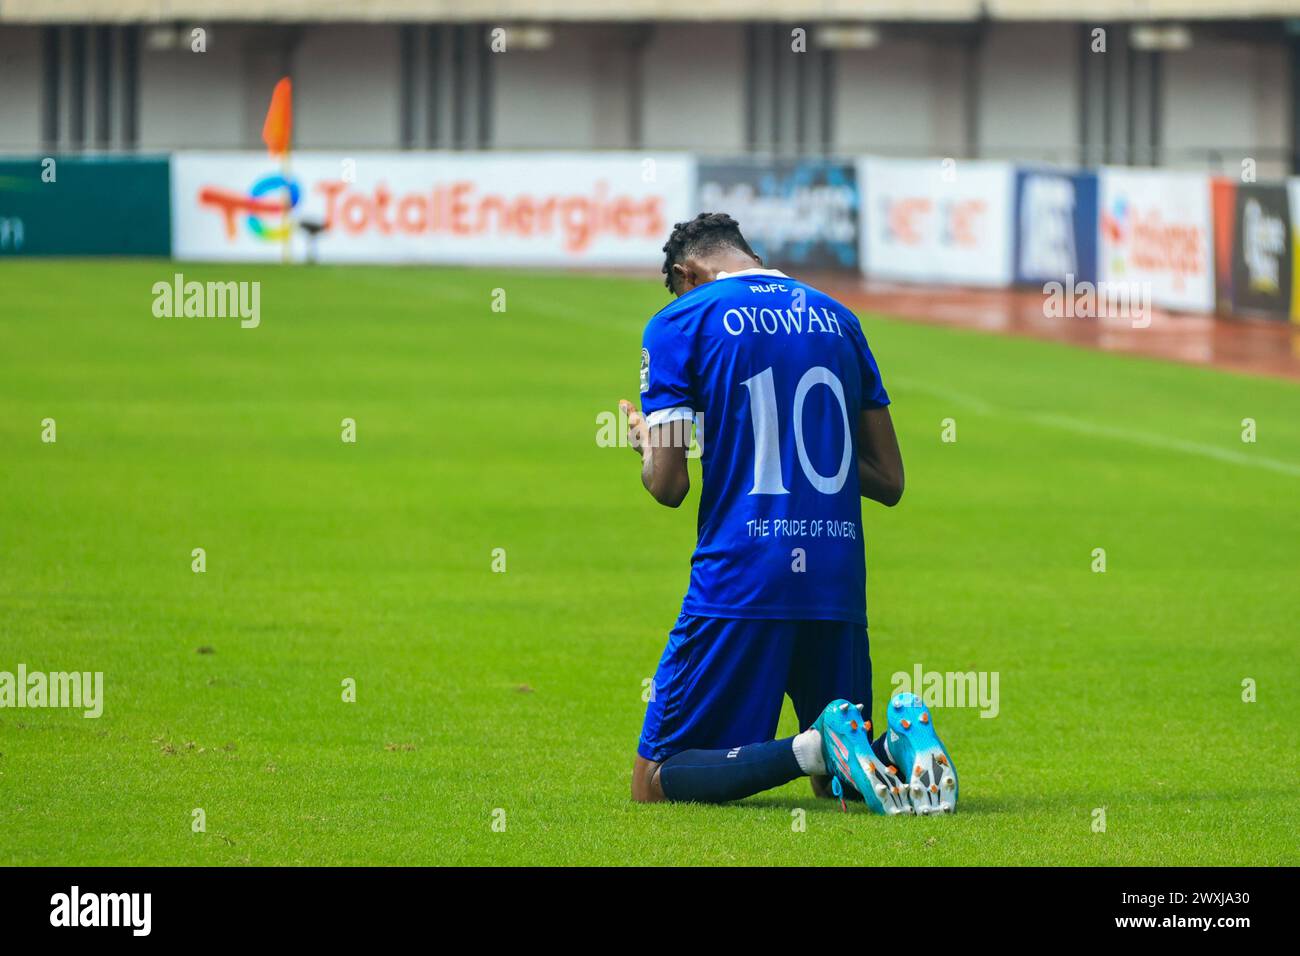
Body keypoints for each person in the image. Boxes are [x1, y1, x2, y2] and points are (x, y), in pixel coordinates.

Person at [620, 212, 956, 814]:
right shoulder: (838, 318)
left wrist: (648, 446)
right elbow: (889, 480)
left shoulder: (678, 322)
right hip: (834, 578)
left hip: (744, 575)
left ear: (684, 274)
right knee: (846, 786)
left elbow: (669, 484)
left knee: (655, 782)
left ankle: (813, 748)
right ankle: (900, 744)